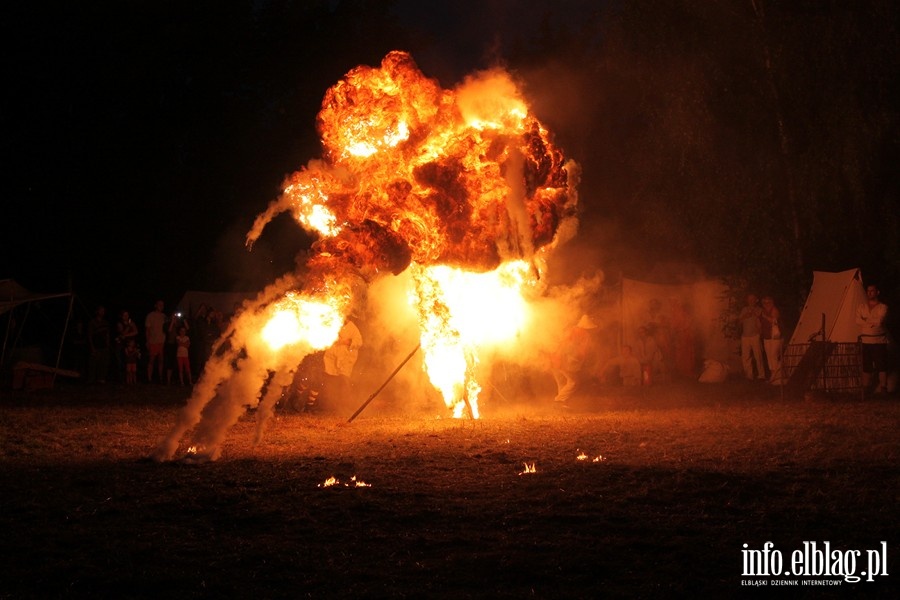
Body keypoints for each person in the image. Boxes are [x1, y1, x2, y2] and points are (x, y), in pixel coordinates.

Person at [551, 314, 599, 403]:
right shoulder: (583, 335)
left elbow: (561, 345)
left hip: (556, 361)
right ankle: (559, 401)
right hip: (563, 362)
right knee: (574, 382)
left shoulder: (571, 331)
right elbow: (579, 352)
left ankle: (561, 403)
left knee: (562, 383)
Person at [321, 319, 363, 410]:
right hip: (331, 359)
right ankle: (328, 405)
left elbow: (359, 342)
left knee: (344, 382)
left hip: (346, 360)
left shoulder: (352, 327)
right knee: (330, 382)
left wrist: (346, 341)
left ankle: (345, 406)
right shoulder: (332, 323)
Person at [856, 284, 889, 393]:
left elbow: (879, 321)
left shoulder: (883, 307)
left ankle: (883, 387)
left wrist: (865, 320)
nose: (869, 293)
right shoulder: (862, 307)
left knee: (881, 365)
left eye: (872, 291)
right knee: (867, 365)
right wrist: (871, 321)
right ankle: (866, 388)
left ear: (877, 292)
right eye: (868, 291)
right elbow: (857, 321)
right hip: (866, 341)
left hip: (879, 341)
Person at [739, 294, 765, 380]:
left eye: (752, 299)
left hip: (755, 336)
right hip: (745, 336)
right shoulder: (744, 309)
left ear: (756, 300)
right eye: (749, 299)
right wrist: (745, 316)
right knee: (746, 357)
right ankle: (749, 375)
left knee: (758, 356)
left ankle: (761, 375)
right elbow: (740, 321)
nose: (750, 301)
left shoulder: (759, 309)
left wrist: (754, 313)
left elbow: (761, 321)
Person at [760, 296, 784, 384]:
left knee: (774, 356)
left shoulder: (774, 310)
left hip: (775, 337)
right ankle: (773, 376)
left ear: (772, 302)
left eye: (768, 302)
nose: (766, 304)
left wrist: (765, 316)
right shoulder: (763, 312)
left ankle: (778, 377)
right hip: (767, 337)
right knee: (769, 357)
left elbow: (774, 321)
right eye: (764, 303)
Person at [87, 305, 111, 384]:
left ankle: (101, 379)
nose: (102, 312)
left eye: (103, 311)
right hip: (96, 346)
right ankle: (91, 379)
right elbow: (90, 336)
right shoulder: (93, 322)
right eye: (101, 310)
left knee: (103, 363)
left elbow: (107, 334)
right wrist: (92, 347)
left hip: (104, 346)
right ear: (97, 311)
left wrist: (107, 344)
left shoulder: (105, 322)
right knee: (93, 363)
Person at [145, 300, 167, 383]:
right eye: (160, 305)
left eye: (162, 305)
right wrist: (147, 341)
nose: (161, 306)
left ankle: (160, 377)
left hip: (161, 341)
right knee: (151, 360)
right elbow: (147, 330)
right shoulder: (150, 316)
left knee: (161, 360)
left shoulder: (164, 316)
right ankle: (149, 378)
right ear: (155, 305)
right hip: (153, 341)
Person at [114, 310, 139, 383]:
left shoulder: (132, 323)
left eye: (127, 315)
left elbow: (136, 332)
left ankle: (131, 380)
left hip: (130, 345)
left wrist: (126, 335)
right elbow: (122, 333)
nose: (126, 316)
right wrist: (128, 327)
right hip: (121, 345)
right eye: (124, 315)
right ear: (121, 316)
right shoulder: (119, 323)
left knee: (130, 360)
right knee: (120, 361)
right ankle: (121, 378)